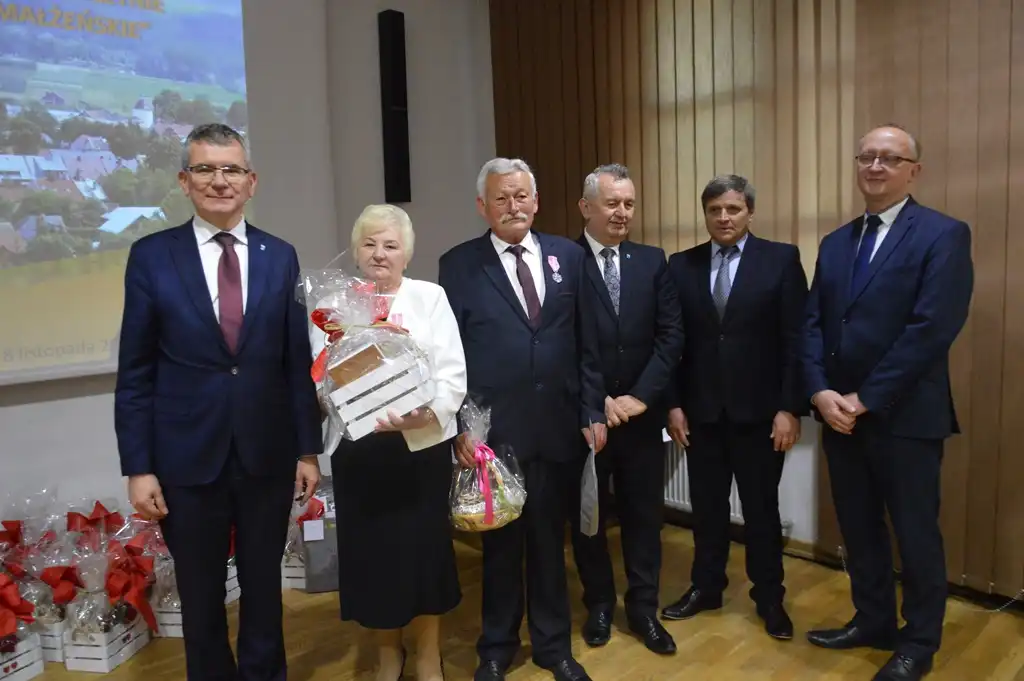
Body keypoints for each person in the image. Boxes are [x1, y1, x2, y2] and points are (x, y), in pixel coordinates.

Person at [114, 122, 323, 681]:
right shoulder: (153, 257)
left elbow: (295, 364)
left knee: (263, 590)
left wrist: (308, 450)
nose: (219, 180)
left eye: (231, 169)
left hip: (265, 454)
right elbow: (135, 372)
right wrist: (139, 467)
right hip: (185, 458)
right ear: (185, 181)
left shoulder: (280, 256)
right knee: (202, 595)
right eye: (205, 169)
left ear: (251, 181)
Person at [802, 125, 973, 681]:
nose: (875, 167)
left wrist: (865, 397)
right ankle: (873, 620)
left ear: (913, 171)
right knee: (859, 527)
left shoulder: (944, 235)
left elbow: (932, 328)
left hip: (904, 416)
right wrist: (821, 391)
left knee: (916, 532)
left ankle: (918, 642)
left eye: (889, 158)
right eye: (867, 157)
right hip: (840, 418)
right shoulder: (835, 242)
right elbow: (813, 325)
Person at [439, 158, 607, 681]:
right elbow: (452, 353)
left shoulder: (569, 257)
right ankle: (496, 647)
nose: (512, 206)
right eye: (501, 198)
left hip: (558, 426)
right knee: (501, 548)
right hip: (495, 434)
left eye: (521, 196)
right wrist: (462, 428)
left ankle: (554, 647)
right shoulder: (458, 264)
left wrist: (593, 408)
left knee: (548, 544)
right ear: (482, 207)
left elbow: (588, 342)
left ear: (535, 201)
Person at [315, 204, 467, 681]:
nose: (379, 254)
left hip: (418, 448)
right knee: (373, 559)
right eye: (369, 243)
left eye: (391, 245)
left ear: (407, 254)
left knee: (425, 555)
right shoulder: (334, 306)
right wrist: (337, 395)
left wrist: (430, 411)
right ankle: (387, 654)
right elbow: (319, 377)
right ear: (357, 251)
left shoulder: (430, 297)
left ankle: (426, 654)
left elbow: (452, 371)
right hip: (359, 452)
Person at [661, 175, 807, 641]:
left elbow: (796, 341)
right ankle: (707, 587)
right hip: (701, 414)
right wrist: (674, 406)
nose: (724, 218)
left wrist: (790, 409)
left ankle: (770, 598)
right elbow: (672, 343)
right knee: (707, 510)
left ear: (750, 212)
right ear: (705, 214)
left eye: (733, 209)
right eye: (715, 210)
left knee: (762, 511)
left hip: (762, 416)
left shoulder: (781, 260)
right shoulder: (680, 266)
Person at [567, 164, 683, 655]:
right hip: (587, 420)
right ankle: (597, 604)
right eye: (612, 203)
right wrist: (597, 403)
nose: (621, 213)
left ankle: (643, 609)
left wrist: (641, 396)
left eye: (629, 204)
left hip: (640, 417)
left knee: (642, 516)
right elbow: (562, 342)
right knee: (588, 517)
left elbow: (671, 335)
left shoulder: (653, 261)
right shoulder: (561, 261)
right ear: (586, 207)